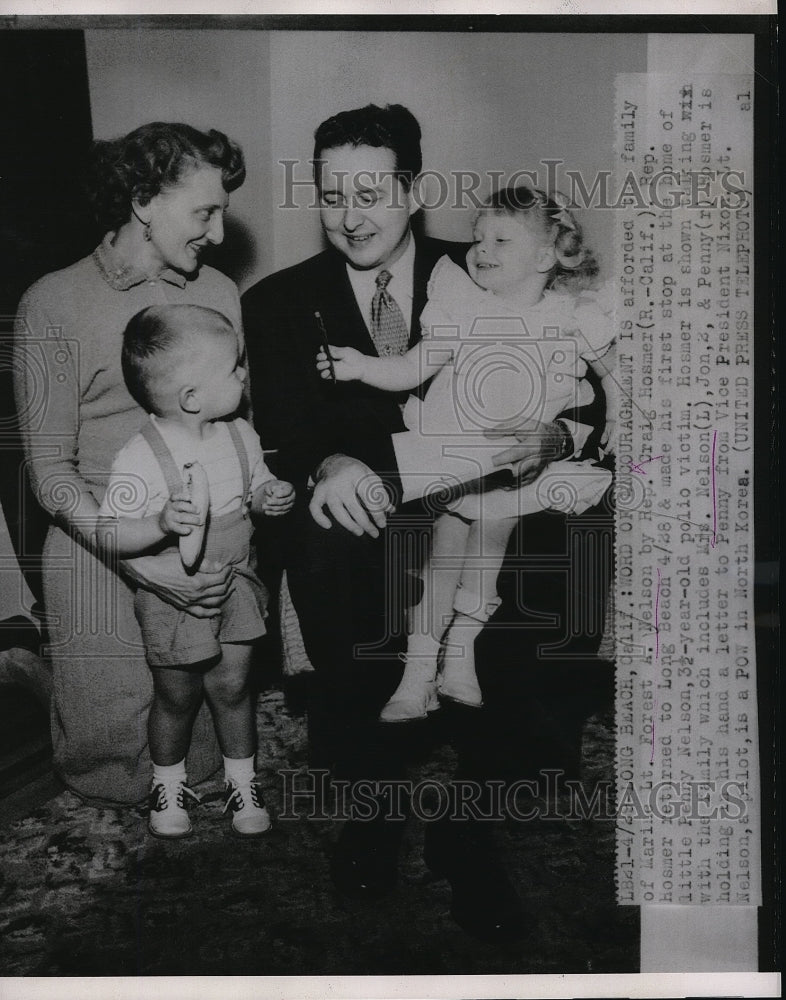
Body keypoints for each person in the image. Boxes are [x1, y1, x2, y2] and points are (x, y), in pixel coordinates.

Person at [242, 104, 607, 941]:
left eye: (372, 193)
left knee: (564, 534)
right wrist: (326, 465)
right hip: (371, 496)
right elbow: (285, 434)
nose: (351, 216)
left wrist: (555, 436)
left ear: (412, 191)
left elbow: (586, 385)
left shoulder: (486, 263)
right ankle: (375, 800)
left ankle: (475, 813)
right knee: (325, 541)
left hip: (488, 486)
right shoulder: (277, 302)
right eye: (333, 195)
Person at [13, 122, 251, 804]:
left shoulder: (219, 294)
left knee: (202, 758)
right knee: (116, 772)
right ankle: (47, 669)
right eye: (204, 213)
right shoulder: (52, 302)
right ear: (144, 201)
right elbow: (49, 471)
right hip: (95, 535)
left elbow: (237, 426)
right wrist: (138, 559)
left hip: (197, 524)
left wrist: (224, 548)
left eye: (223, 213)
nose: (218, 233)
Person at [317, 185, 615, 721]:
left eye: (500, 240)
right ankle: (416, 671)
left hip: (516, 465)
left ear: (544, 257)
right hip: (454, 457)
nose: (480, 249)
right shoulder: (460, 304)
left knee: (485, 564)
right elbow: (410, 369)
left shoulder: (572, 317)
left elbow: (610, 372)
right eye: (478, 238)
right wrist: (360, 366)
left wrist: (614, 411)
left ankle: (460, 653)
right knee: (444, 561)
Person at [97, 304, 294, 837]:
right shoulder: (140, 456)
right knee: (177, 696)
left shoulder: (240, 435)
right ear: (191, 397)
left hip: (237, 582)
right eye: (233, 368)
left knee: (233, 687)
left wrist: (267, 496)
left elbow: (253, 489)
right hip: (173, 595)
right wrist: (159, 522)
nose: (243, 374)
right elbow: (110, 532)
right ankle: (168, 785)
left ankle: (242, 783)